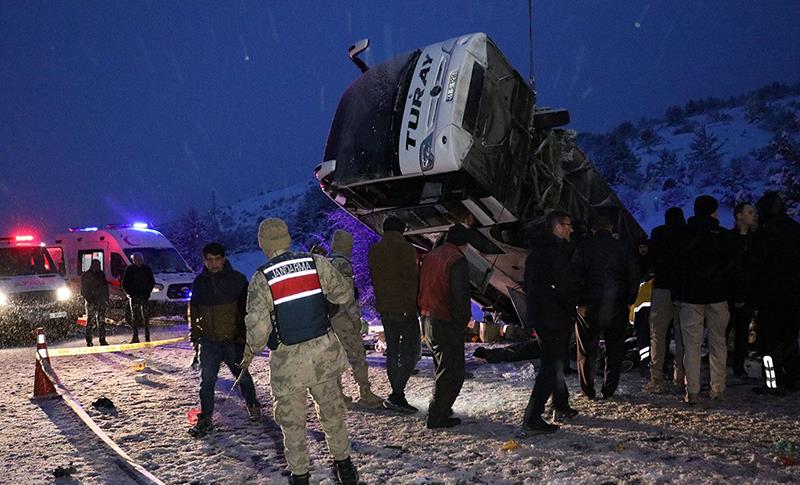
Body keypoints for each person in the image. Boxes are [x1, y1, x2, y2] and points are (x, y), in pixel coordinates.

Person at [241, 218, 359, 485]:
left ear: (263, 244)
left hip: (288, 365)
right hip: (324, 357)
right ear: (287, 238)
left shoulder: (262, 278)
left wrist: (252, 348)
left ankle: (301, 476)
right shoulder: (316, 263)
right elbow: (343, 294)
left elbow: (257, 334)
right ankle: (345, 467)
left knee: (293, 425)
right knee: (333, 414)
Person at [187, 242, 261, 438]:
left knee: (242, 375)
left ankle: (253, 404)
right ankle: (205, 419)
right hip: (209, 342)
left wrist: (245, 335)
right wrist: (195, 334)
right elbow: (193, 310)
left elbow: (249, 310)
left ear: (224, 258)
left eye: (217, 259)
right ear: (205, 260)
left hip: (232, 340)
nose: (213, 263)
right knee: (207, 382)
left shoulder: (237, 280)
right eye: (209, 260)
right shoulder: (199, 283)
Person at [521, 210, 580, 434]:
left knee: (552, 363)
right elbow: (565, 286)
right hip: (553, 316)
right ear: (557, 227)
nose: (571, 229)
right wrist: (569, 308)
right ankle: (532, 417)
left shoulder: (538, 251)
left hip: (542, 315)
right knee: (551, 366)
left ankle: (560, 404)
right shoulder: (555, 252)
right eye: (568, 224)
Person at [574, 216, 639, 399]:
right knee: (615, 348)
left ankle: (587, 390)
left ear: (593, 229)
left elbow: (575, 275)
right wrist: (629, 300)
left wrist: (578, 300)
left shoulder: (584, 247)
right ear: (611, 227)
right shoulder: (623, 247)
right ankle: (609, 388)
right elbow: (634, 277)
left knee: (586, 349)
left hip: (589, 304)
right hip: (616, 303)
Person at [679, 195, 735, 404]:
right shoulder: (722, 235)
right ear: (713, 212)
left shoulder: (685, 234)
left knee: (691, 345)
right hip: (718, 296)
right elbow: (731, 265)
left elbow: (680, 267)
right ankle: (718, 389)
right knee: (718, 343)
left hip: (691, 296)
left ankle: (692, 391)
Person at [418, 224, 472, 429]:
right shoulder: (456, 259)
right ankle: (437, 415)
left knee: (441, 366)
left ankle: (442, 408)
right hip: (445, 319)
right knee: (452, 371)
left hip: (427, 317)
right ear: (464, 243)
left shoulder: (432, 255)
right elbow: (461, 296)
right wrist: (461, 324)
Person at [368, 216, 421, 414]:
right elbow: (412, 277)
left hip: (385, 308)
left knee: (392, 352)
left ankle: (396, 392)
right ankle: (397, 394)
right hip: (405, 308)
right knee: (412, 351)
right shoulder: (406, 249)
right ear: (402, 230)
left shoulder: (375, 250)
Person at [751, 192, 800, 394]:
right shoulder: (795, 230)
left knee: (767, 344)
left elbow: (755, 264)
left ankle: (772, 383)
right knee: (790, 339)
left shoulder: (764, 233)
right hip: (794, 295)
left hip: (769, 298)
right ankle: (793, 378)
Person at [327, 230, 384, 406]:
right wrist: (356, 320)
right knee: (358, 357)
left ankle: (337, 395)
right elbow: (347, 296)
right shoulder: (343, 264)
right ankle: (365, 393)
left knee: (334, 359)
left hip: (329, 320)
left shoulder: (326, 263)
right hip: (343, 319)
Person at [644, 207, 687, 393]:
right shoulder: (688, 235)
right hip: (685, 291)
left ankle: (656, 379)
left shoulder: (658, 233)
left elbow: (651, 259)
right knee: (682, 337)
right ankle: (681, 378)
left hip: (662, 288)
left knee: (657, 335)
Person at [728, 202, 758, 378]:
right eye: (750, 212)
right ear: (739, 216)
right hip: (730, 292)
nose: (754, 215)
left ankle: (738, 365)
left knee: (742, 330)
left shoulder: (756, 239)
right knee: (726, 329)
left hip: (748, 292)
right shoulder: (730, 239)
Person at [122, 252, 155, 343]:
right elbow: (125, 283)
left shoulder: (146, 269)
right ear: (133, 260)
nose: (138, 261)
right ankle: (135, 336)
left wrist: (147, 293)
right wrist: (130, 294)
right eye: (136, 259)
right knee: (135, 317)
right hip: (134, 296)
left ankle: (147, 336)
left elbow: (151, 282)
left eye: (140, 259)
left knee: (146, 316)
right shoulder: (130, 269)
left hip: (144, 296)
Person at [80, 258, 109, 346]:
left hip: (100, 301)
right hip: (92, 301)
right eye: (97, 265)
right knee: (91, 321)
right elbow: (84, 290)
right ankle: (89, 341)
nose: (98, 267)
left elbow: (105, 288)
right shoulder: (87, 275)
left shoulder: (100, 274)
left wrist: (106, 299)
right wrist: (90, 299)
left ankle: (102, 339)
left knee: (101, 321)